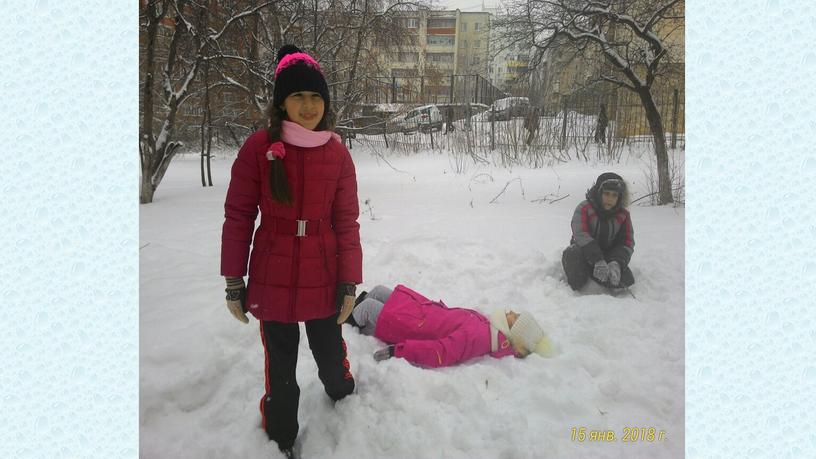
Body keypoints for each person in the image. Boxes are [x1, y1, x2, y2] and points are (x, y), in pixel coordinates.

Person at [220, 44, 362, 458]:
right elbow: (238, 216)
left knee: (331, 356)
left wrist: (349, 282)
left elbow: (347, 223)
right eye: (298, 96)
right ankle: (281, 439)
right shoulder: (258, 148)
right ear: (281, 102)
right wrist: (233, 280)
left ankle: (347, 402)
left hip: (322, 270)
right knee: (280, 371)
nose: (308, 105)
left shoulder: (336, 152)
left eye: (316, 97)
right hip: (272, 274)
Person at [344, 284, 554, 368]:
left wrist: (399, 350)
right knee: (379, 290)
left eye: (514, 318)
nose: (511, 312)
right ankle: (352, 308)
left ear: (513, 334)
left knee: (368, 307)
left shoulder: (481, 337)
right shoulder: (490, 327)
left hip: (414, 327)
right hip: (420, 313)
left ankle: (343, 321)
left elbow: (442, 352)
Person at [562, 172, 635, 291]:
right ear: (599, 193)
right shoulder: (584, 208)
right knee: (572, 256)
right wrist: (597, 260)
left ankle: (603, 276)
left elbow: (627, 242)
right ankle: (584, 288)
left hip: (608, 255)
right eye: (606, 193)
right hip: (584, 252)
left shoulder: (623, 215)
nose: (610, 199)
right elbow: (580, 234)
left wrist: (616, 262)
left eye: (614, 195)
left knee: (627, 280)